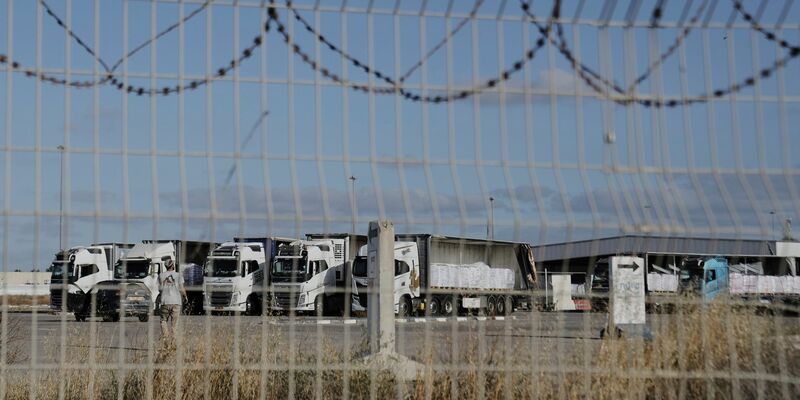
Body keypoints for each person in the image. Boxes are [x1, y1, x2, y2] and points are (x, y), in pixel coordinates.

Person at [158, 259, 187, 338]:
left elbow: (159, 289)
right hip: (176, 302)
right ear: (172, 265)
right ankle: (174, 344)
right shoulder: (178, 275)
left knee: (163, 321)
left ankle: (166, 338)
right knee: (174, 325)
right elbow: (182, 288)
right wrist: (185, 296)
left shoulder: (161, 275)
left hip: (165, 301)